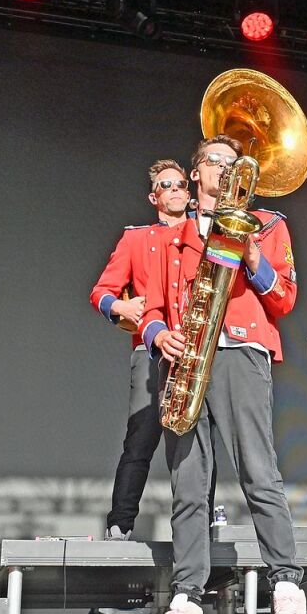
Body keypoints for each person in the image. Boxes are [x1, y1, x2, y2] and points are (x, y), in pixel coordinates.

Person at [139, 134, 307, 614]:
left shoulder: (269, 225)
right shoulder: (167, 238)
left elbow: (286, 299)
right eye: (217, 161)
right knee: (189, 484)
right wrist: (159, 334)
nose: (227, 168)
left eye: (233, 163)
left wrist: (253, 256)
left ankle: (286, 584)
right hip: (189, 358)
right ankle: (187, 598)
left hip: (239, 350)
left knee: (259, 469)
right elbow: (150, 309)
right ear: (196, 174)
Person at [90, 160, 191, 540]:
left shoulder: (204, 232)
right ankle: (120, 525)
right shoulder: (136, 238)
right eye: (167, 185)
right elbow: (100, 292)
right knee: (141, 437)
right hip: (151, 350)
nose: (177, 189)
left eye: (182, 183)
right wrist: (121, 307)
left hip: (196, 349)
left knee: (199, 444)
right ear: (154, 197)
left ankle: (197, 531)